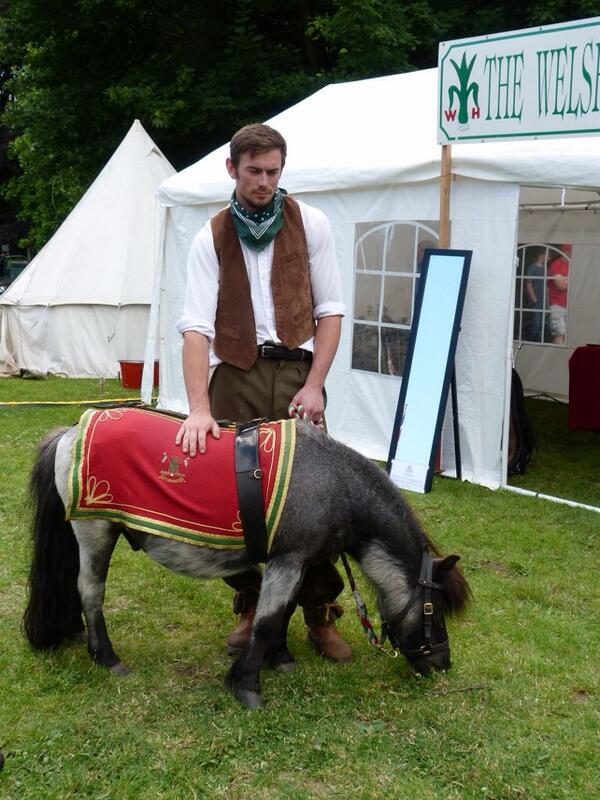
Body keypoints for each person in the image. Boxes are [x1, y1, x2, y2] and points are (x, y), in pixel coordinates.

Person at [174, 123, 351, 663]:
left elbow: (331, 310)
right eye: (254, 171)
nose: (264, 182)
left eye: (273, 172)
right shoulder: (211, 236)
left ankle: (320, 613)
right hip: (237, 377)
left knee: (316, 501)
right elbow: (195, 329)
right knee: (235, 501)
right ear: (232, 169)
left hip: (298, 374)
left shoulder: (311, 223)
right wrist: (199, 408)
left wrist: (316, 384)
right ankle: (251, 603)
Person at [547, 245, 571, 344]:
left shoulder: (572, 265)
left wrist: (566, 280)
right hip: (557, 305)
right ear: (566, 251)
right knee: (559, 335)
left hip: (569, 305)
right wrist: (569, 281)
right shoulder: (555, 265)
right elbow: (561, 286)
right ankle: (556, 358)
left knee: (568, 336)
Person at [522, 247, 546, 342]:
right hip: (535, 301)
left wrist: (547, 301)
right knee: (536, 324)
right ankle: (528, 341)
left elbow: (546, 286)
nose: (548, 257)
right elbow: (528, 284)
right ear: (540, 255)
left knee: (542, 325)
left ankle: (538, 343)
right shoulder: (532, 268)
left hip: (543, 301)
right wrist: (534, 299)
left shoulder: (545, 269)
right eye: (546, 255)